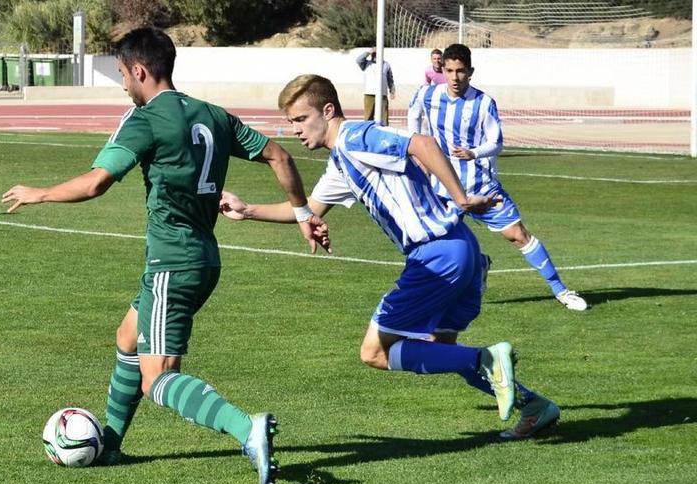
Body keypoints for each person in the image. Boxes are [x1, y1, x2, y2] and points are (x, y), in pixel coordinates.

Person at [2, 27, 330, 484]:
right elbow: (278, 155)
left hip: (171, 264)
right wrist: (302, 213)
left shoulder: (144, 119)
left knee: (158, 378)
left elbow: (97, 182)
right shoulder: (212, 114)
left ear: (139, 70)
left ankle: (246, 429)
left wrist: (41, 194)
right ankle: (111, 444)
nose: (122, 85)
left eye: (121, 74)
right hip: (203, 259)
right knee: (127, 335)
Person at [220, 74, 561, 440]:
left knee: (374, 353)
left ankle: (487, 359)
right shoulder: (340, 162)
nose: (296, 131)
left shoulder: (357, 137)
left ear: (328, 110)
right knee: (440, 351)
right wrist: (247, 209)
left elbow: (423, 143)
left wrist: (461, 198)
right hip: (460, 251)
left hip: (436, 256)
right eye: (291, 123)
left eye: (301, 120)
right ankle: (534, 406)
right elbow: (307, 209)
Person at [408, 43, 588, 311]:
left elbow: (496, 142)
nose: (455, 78)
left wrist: (474, 152)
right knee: (435, 243)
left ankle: (561, 291)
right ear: (442, 70)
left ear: (470, 71)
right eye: (449, 70)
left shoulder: (483, 103)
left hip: (481, 186)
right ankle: (469, 271)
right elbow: (413, 120)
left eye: (460, 71)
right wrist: (419, 156)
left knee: (518, 235)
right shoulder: (426, 95)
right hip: (443, 188)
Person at [356, 47, 396, 125]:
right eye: (374, 54)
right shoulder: (366, 64)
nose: (375, 55)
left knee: (384, 117)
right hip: (369, 94)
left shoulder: (386, 65)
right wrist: (369, 52)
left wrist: (392, 91)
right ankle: (368, 134)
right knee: (368, 117)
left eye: (377, 53)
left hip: (382, 95)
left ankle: (384, 132)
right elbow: (358, 60)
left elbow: (390, 79)